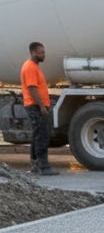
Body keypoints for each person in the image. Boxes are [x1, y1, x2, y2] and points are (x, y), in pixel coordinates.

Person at [21, 42, 57, 175]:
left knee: (38, 135)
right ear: (33, 52)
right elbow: (31, 88)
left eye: (43, 52)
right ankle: (43, 166)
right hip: (35, 105)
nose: (43, 55)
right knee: (43, 135)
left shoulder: (33, 66)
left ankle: (35, 164)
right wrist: (42, 106)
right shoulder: (30, 67)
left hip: (36, 105)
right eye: (40, 52)